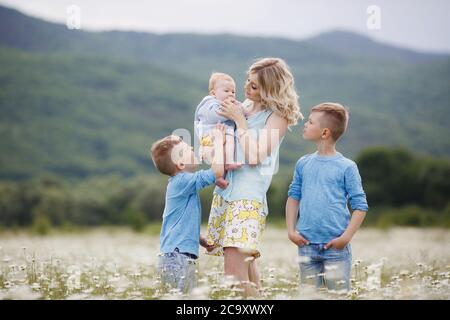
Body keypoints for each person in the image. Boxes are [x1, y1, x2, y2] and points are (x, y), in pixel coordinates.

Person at [205, 58, 302, 296]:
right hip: (226, 193)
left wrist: (239, 120)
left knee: (233, 275)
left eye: (255, 86)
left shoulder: (277, 116)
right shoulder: (245, 105)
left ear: (270, 90)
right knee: (247, 270)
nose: (247, 87)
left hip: (247, 198)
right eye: (248, 80)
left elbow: (256, 156)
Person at [286, 102, 369, 292]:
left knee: (338, 296)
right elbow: (293, 197)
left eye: (310, 122)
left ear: (325, 133)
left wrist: (346, 238)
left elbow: (360, 206)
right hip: (306, 244)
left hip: (336, 247)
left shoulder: (347, 167)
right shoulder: (303, 163)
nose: (305, 124)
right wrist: (291, 230)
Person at [149, 125, 225, 293]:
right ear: (181, 163)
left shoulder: (180, 184)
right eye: (187, 149)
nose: (192, 148)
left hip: (176, 255)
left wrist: (199, 239)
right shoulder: (182, 181)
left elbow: (179, 222)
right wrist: (219, 142)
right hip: (178, 258)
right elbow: (217, 171)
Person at [194, 72, 243, 189]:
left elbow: (241, 114)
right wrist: (234, 110)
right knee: (220, 153)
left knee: (223, 152)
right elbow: (215, 115)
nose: (230, 94)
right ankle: (225, 166)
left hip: (222, 135)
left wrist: (239, 109)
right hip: (209, 137)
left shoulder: (226, 104)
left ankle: (219, 177)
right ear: (213, 93)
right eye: (226, 91)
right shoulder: (208, 104)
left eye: (233, 92)